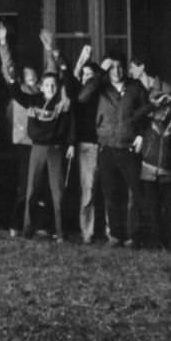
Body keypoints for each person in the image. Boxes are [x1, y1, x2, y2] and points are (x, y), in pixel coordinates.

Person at [1, 35, 72, 241]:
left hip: (55, 149)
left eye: (53, 86)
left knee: (57, 192)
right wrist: (12, 74)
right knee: (31, 189)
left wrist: (53, 52)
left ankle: (60, 232)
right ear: (40, 86)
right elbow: (14, 90)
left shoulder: (62, 101)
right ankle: (27, 228)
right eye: (46, 85)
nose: (50, 89)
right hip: (37, 148)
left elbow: (64, 77)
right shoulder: (33, 100)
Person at [95, 54, 151, 247]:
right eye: (112, 68)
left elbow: (147, 111)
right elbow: (83, 95)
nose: (116, 71)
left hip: (128, 147)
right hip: (107, 146)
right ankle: (115, 235)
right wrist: (100, 71)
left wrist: (141, 134)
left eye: (119, 67)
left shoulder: (135, 87)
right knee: (111, 193)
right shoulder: (100, 87)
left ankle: (133, 235)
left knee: (134, 193)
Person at [137, 86, 171, 250]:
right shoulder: (147, 120)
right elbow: (135, 117)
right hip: (149, 170)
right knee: (152, 209)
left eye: (166, 104)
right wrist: (152, 105)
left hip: (169, 171)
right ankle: (154, 243)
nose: (163, 109)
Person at [67, 46, 103, 243]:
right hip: (86, 145)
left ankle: (108, 230)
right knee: (87, 190)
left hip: (103, 144)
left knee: (105, 190)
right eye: (84, 74)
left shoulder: (101, 93)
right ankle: (87, 232)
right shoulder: (78, 96)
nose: (87, 78)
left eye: (91, 74)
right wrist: (82, 59)